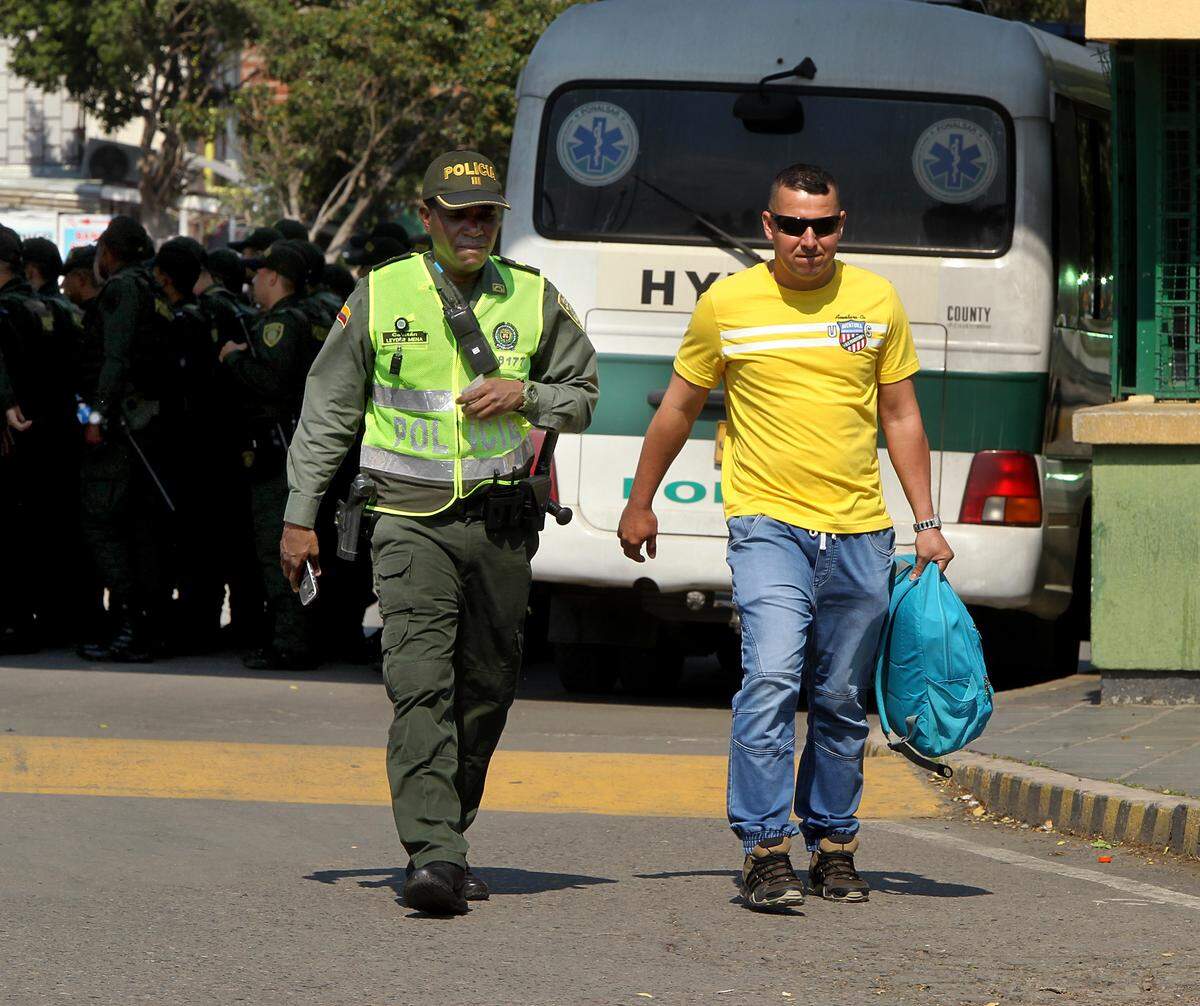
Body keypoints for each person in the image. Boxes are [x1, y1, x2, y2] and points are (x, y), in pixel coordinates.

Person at [618, 163, 954, 912]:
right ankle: (765, 849)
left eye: (824, 225)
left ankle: (833, 842)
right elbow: (678, 407)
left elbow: (900, 415)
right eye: (794, 225)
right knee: (771, 676)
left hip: (861, 533)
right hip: (767, 522)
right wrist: (641, 501)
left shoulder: (875, 300)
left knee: (838, 696)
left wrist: (926, 524)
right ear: (766, 227)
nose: (809, 239)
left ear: (843, 226)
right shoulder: (727, 305)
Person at [280, 150, 598, 915]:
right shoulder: (382, 292)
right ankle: (433, 853)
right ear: (427, 218)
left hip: (499, 526)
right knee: (421, 687)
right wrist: (299, 516)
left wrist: (526, 393)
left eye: (485, 214)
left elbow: (584, 397)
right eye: (458, 214)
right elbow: (327, 411)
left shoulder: (533, 297)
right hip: (408, 524)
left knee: (486, 690)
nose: (473, 227)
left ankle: (448, 836)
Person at [77, 216, 176, 662]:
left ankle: (132, 623)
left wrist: (96, 415)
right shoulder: (156, 292)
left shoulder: (122, 289)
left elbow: (114, 359)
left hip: (123, 432)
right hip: (150, 428)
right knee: (141, 533)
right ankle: (146, 628)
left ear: (110, 253)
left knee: (103, 523)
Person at [219, 241, 315, 670]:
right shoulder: (310, 316)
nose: (253, 280)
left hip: (278, 451)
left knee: (277, 547)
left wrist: (234, 361)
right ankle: (292, 637)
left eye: (259, 273)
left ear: (274, 277)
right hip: (295, 447)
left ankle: (290, 643)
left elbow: (272, 383)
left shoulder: (281, 323)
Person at [0, 225, 58, 652]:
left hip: (11, 437)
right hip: (43, 437)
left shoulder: (6, 308)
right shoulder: (42, 305)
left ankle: (13, 622)